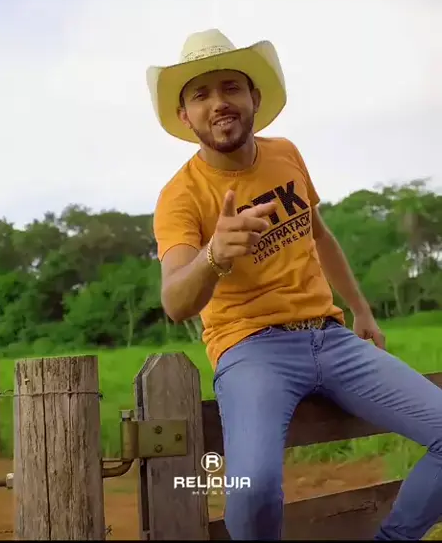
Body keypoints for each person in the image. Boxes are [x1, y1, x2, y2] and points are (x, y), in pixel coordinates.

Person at [147, 29, 442, 541]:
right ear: (185, 116)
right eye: (201, 94)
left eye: (231, 87)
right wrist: (214, 255)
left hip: (332, 338)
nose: (219, 103)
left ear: (254, 98)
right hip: (250, 349)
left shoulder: (286, 153)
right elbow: (175, 301)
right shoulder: (180, 196)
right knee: (254, 490)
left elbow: (319, 235)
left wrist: (361, 310)